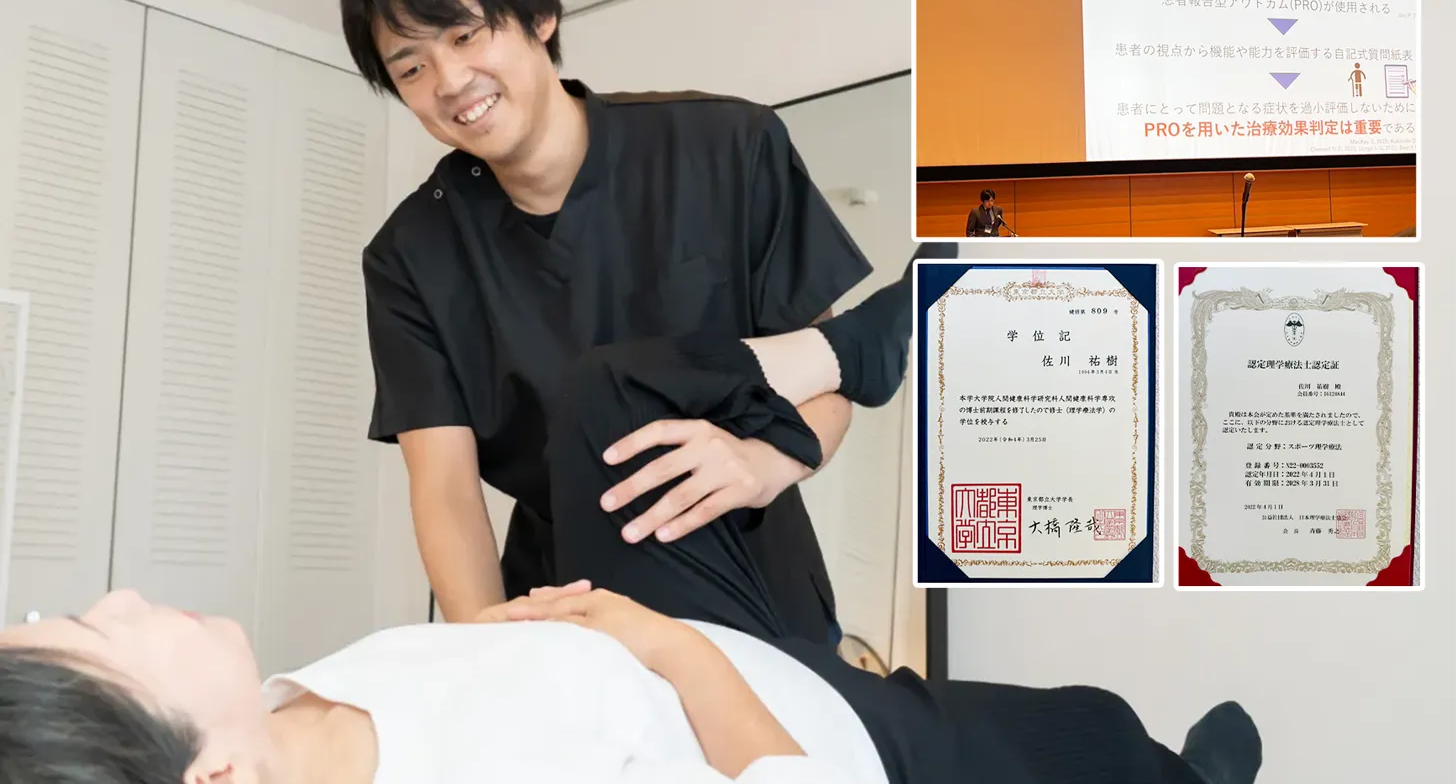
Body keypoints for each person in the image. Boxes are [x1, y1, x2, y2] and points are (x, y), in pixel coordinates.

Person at [0, 249, 1261, 784]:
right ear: (210, 776)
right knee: (1081, 732)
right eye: (102, 638)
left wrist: (523, 627)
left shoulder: (275, 708)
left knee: (605, 399)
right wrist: (666, 651)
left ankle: (848, 354)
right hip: (787, 717)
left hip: (646, 619)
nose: (118, 598)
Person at [340, 0, 871, 643]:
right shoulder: (410, 257)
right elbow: (444, 487)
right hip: (562, 604)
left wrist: (762, 462)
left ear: (539, 16)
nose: (449, 81)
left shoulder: (728, 147)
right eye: (411, 66)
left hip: (756, 581)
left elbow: (831, 372)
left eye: (465, 34)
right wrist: (485, 649)